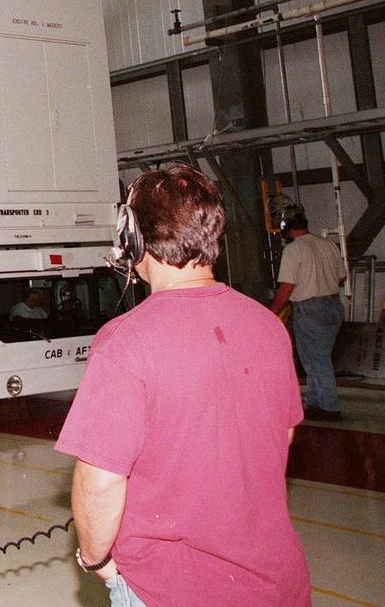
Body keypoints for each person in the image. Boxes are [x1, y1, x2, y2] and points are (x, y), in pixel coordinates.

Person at [56, 165, 310, 607]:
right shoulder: (267, 325)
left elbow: (100, 480)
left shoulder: (126, 340)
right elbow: (280, 437)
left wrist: (98, 562)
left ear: (133, 238)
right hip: (274, 583)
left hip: (172, 588)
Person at [270, 206, 348, 421]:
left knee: (317, 360)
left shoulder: (293, 250)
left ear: (286, 228)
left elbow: (286, 288)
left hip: (310, 310)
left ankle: (329, 407)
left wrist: (272, 313)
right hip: (333, 307)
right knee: (316, 358)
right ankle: (314, 400)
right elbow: (341, 276)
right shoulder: (327, 244)